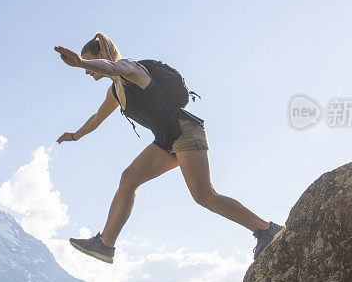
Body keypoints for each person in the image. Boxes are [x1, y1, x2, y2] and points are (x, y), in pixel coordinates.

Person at [54, 32, 285, 264]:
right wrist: (75, 136)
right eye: (85, 65)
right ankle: (105, 245)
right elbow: (97, 117)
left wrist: (80, 62)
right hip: (166, 139)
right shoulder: (114, 91)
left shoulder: (129, 68)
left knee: (204, 196)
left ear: (101, 56)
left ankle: (266, 229)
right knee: (129, 178)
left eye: (89, 63)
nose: (87, 71)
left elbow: (113, 67)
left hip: (185, 130)